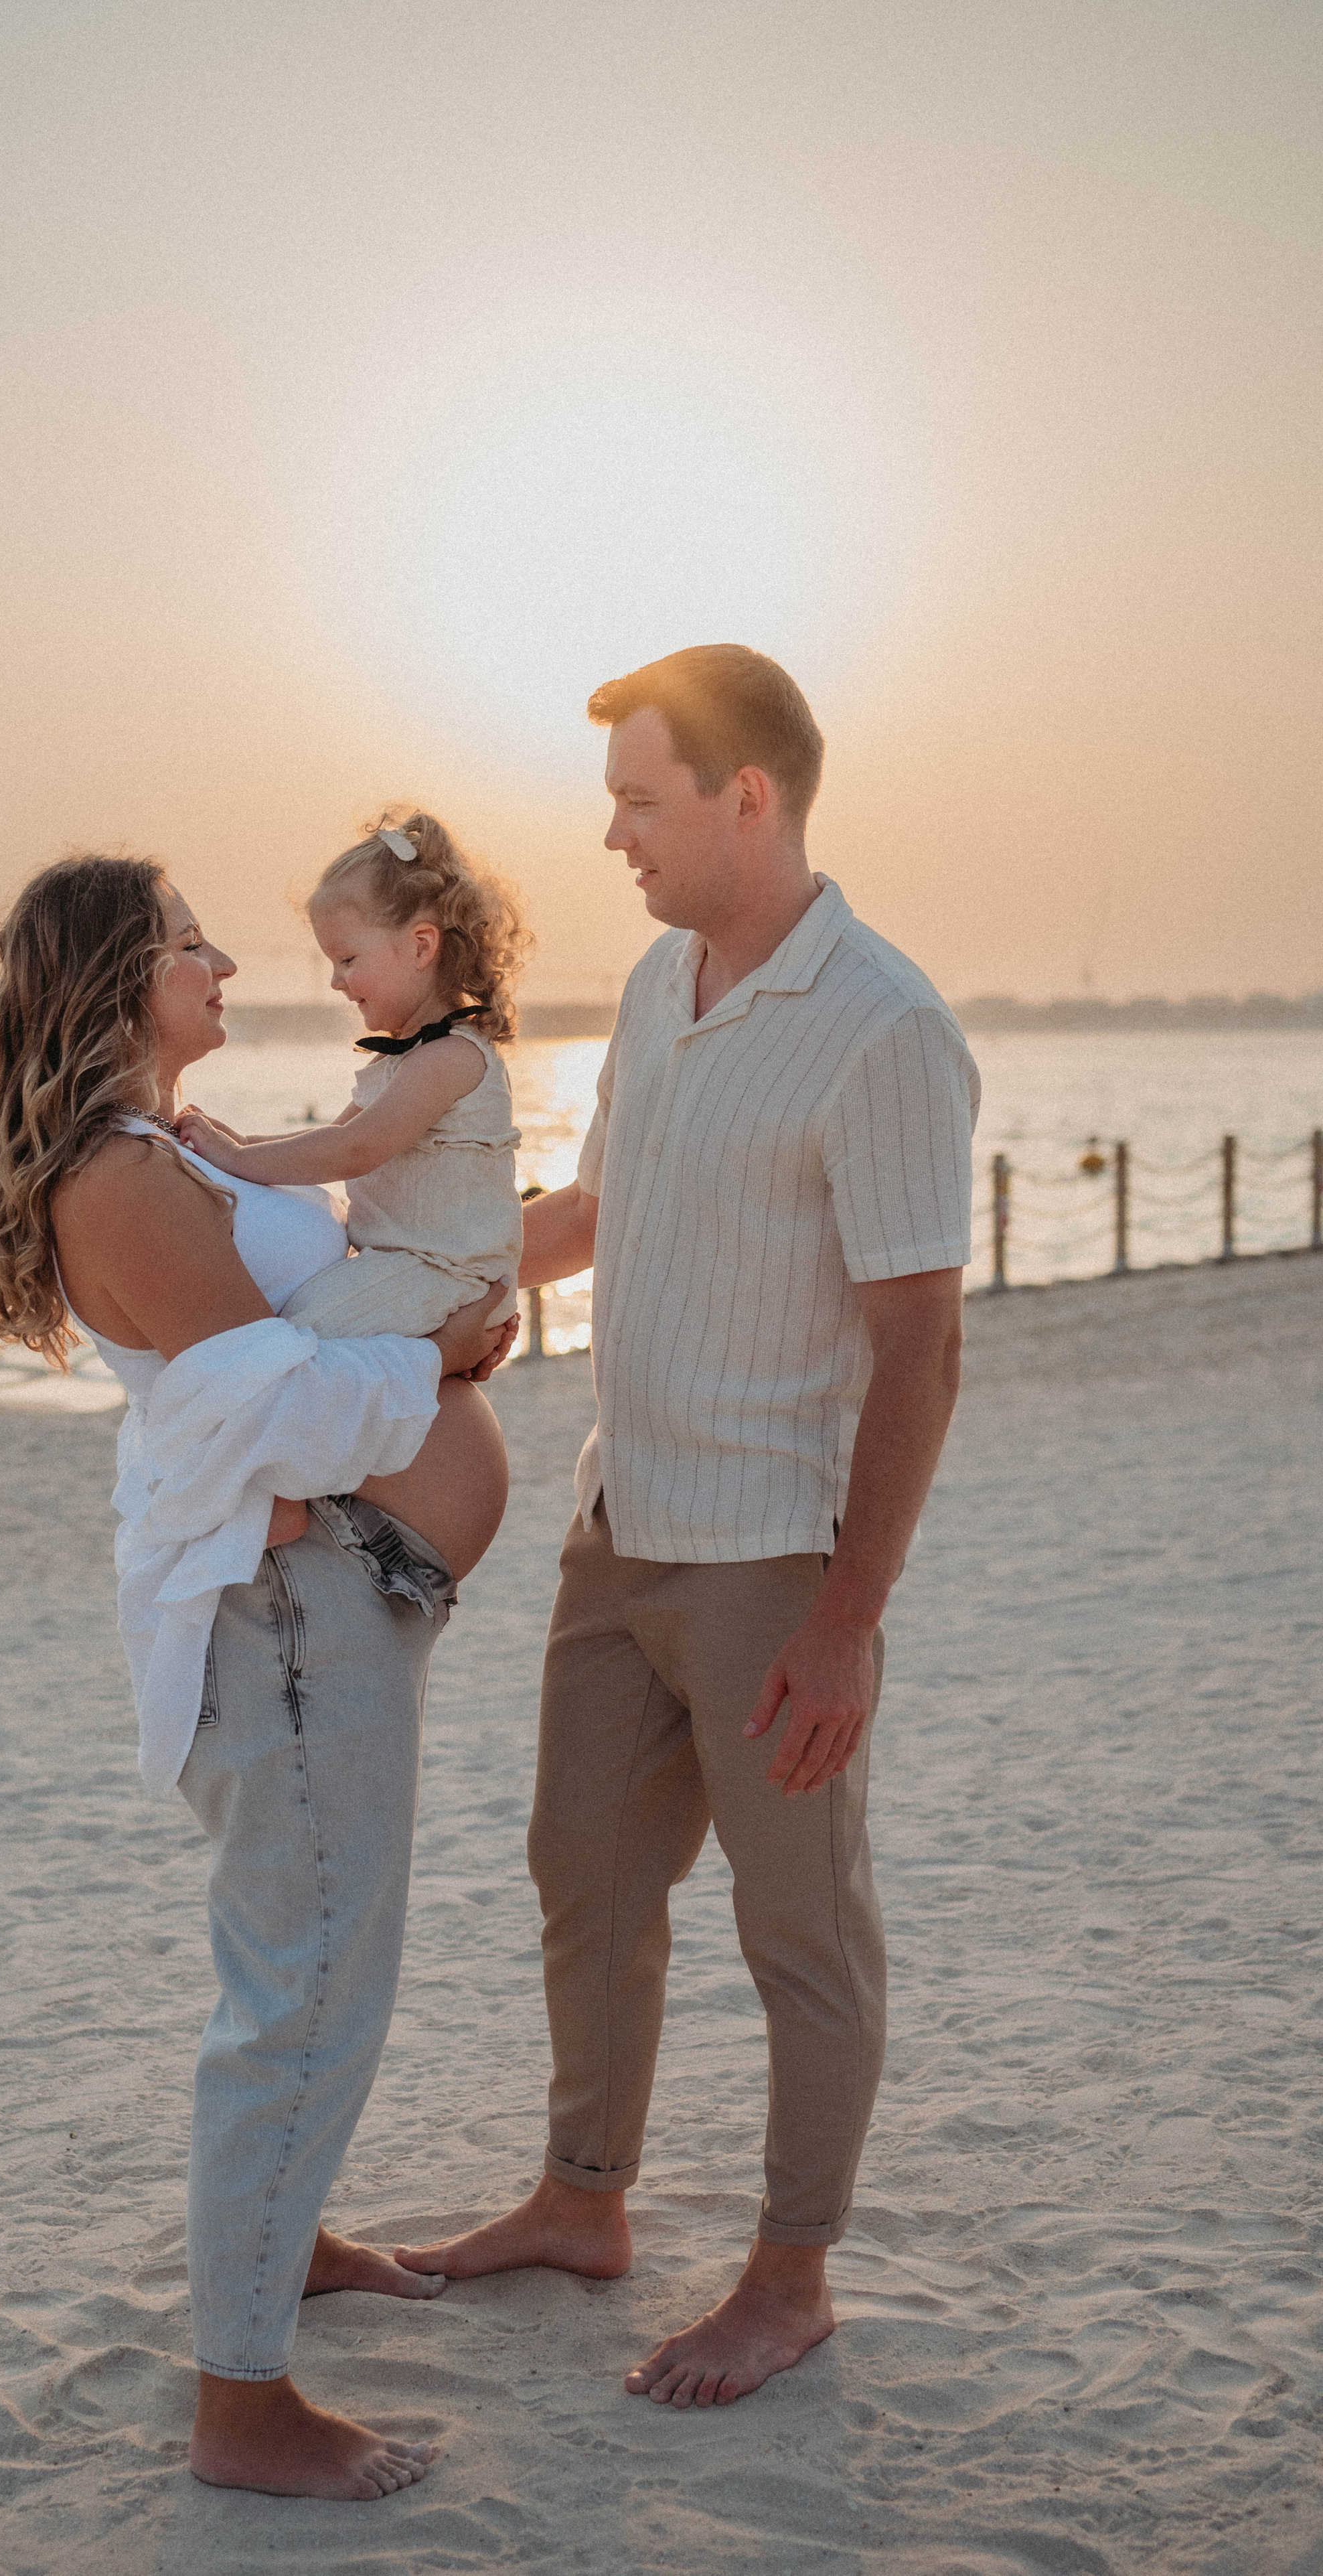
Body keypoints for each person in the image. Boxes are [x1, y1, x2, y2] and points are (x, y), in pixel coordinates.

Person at [394, 646, 980, 2411]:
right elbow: (597, 1198)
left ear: (751, 796)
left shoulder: (885, 1027)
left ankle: (791, 2274)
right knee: (582, 1870)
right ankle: (585, 2197)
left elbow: (921, 1344)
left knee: (801, 1928)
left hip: (770, 1561)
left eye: (641, 799)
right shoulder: (659, 983)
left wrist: (848, 1614)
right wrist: (444, 1287)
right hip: (614, 1520)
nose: (613, 834)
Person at [0, 853, 514, 2501]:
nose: (221, 960)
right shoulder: (121, 1178)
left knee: (314, 1973)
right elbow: (264, 1410)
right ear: (117, 976)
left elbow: (296, 1347)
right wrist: (445, 1355)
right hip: (284, 1627)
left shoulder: (164, 1151)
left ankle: (290, 2236)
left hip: (324, 1598)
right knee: (303, 1999)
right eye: (186, 940)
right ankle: (241, 2404)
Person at [178, 807, 527, 1339]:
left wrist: (237, 1157)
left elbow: (354, 1149)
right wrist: (240, 1138)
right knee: (283, 1325)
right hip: (405, 1266)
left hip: (447, 1274)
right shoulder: (401, 1060)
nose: (337, 982)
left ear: (420, 945)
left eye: (347, 959)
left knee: (293, 1336)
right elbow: (331, 1137)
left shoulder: (450, 1056)